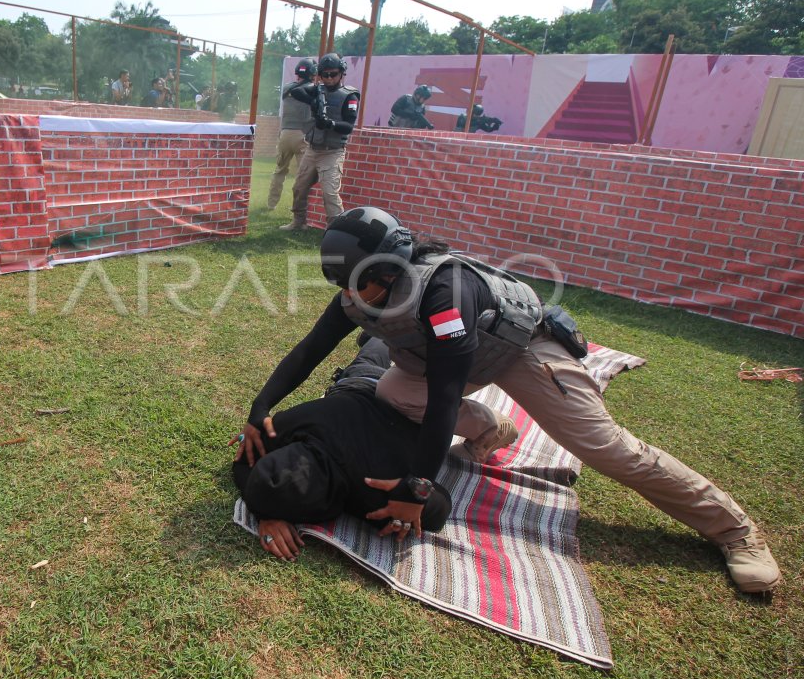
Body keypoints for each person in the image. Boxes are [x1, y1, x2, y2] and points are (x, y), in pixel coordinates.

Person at [237, 206, 782, 594]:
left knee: (603, 446)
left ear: (388, 270)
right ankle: (490, 427)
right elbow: (310, 350)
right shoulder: (362, 293)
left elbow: (447, 390)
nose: (347, 294)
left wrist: (417, 487)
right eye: (339, 281)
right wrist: (262, 406)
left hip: (517, 349)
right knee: (391, 393)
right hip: (443, 355)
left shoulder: (443, 290)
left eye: (356, 281)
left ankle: (735, 530)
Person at [233, 337, 454, 561]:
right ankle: (377, 337)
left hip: (409, 404)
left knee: (401, 351)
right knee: (379, 348)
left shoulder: (376, 496)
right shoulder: (296, 423)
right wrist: (264, 515)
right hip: (367, 383)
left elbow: (440, 507)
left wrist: (414, 495)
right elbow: (245, 457)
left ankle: (379, 336)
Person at [279, 52, 360, 230]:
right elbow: (295, 91)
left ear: (341, 73)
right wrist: (314, 101)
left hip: (332, 151)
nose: (329, 78)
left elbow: (348, 126)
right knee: (299, 188)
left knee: (330, 193)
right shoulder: (318, 89)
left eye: (333, 74)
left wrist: (330, 123)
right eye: (325, 74)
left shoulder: (350, 96)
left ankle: (336, 231)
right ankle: (299, 222)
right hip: (312, 149)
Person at [267, 57, 316, 210]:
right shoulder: (313, 89)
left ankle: (271, 204)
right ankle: (298, 209)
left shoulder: (287, 88)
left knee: (280, 170)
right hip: (302, 135)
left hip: (285, 134)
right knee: (303, 176)